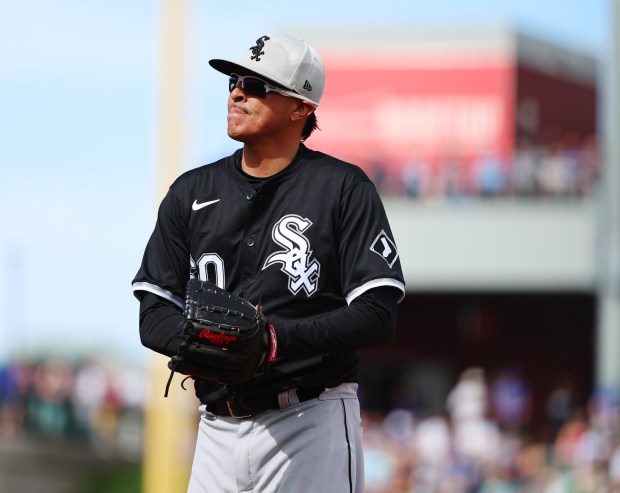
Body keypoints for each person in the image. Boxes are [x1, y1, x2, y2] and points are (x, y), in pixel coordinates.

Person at [132, 33, 405, 493]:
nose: (237, 92)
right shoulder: (191, 191)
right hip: (216, 428)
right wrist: (209, 344)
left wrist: (275, 342)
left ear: (301, 107)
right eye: (235, 81)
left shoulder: (342, 188)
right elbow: (152, 312)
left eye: (258, 85)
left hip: (309, 419)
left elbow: (378, 313)